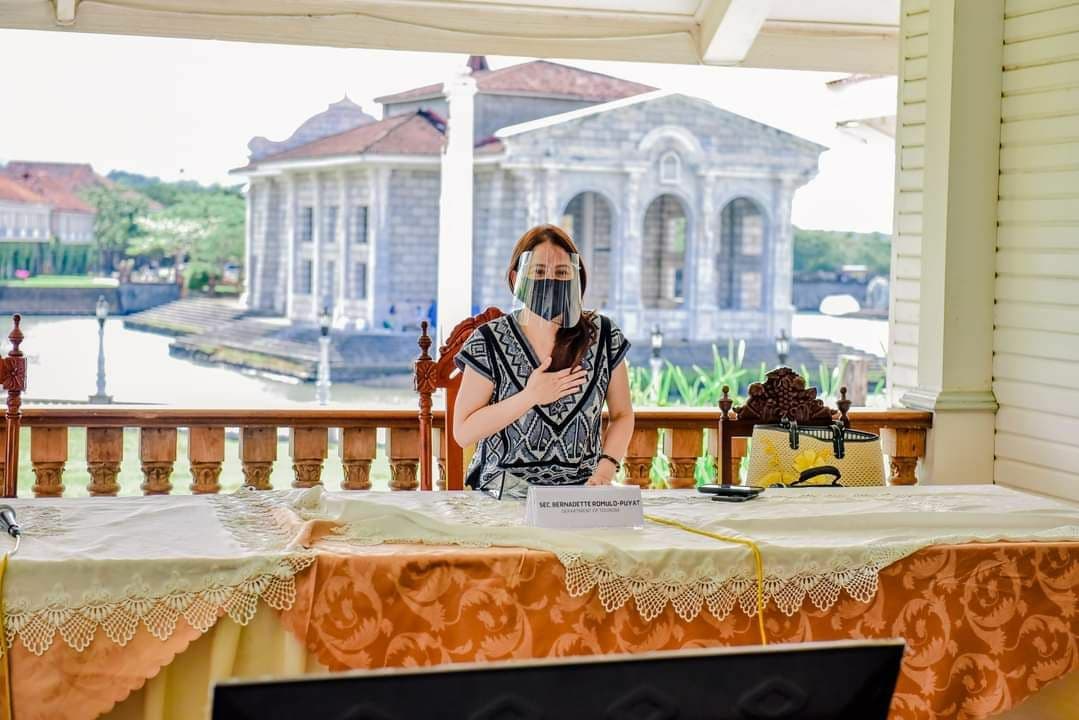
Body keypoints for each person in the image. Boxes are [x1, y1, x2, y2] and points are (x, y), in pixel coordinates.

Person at [453, 224, 635, 499]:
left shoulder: (604, 334)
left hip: (582, 493)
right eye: (538, 272)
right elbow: (463, 432)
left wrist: (605, 471)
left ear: (576, 277)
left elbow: (622, 414)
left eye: (561, 273)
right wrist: (530, 396)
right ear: (516, 278)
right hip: (504, 492)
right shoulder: (488, 340)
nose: (550, 280)